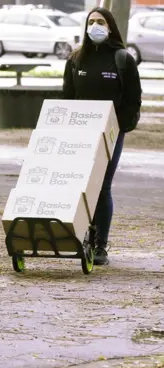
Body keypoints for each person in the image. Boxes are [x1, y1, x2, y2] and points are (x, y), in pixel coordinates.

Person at [62, 7, 142, 266]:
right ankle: (81, 234)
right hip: (80, 132)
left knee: (103, 186)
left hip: (110, 133)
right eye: (91, 21)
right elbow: (67, 97)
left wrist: (121, 127)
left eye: (100, 22)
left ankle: (100, 246)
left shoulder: (123, 59)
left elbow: (133, 100)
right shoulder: (76, 59)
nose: (95, 26)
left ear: (110, 27)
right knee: (81, 184)